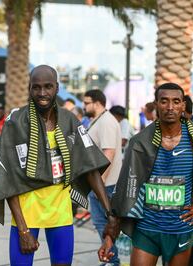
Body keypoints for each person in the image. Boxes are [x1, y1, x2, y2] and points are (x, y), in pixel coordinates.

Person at [0, 65, 117, 265]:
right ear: (29, 88)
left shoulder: (69, 121)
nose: (42, 93)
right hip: (26, 213)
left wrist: (110, 213)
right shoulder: (15, 121)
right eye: (36, 87)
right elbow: (7, 179)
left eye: (48, 86)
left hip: (60, 212)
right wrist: (23, 229)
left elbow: (90, 168)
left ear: (57, 88)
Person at [98, 83, 193, 266]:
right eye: (164, 101)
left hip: (181, 230)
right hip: (147, 230)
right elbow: (125, 189)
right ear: (156, 104)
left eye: (176, 101)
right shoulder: (140, 142)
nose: (170, 107)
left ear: (183, 105)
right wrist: (110, 236)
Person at [84, 90, 123, 265]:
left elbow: (109, 153)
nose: (84, 106)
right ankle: (110, 259)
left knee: (106, 226)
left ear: (98, 103)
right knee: (102, 225)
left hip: (105, 185)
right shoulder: (98, 121)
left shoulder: (106, 122)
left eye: (87, 103)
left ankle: (112, 261)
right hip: (99, 184)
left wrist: (100, 182)